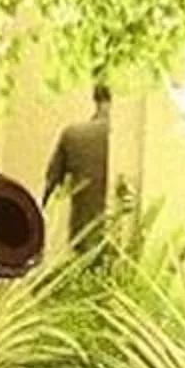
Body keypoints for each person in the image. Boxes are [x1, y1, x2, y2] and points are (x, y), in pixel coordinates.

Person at [43, 84, 113, 249]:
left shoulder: (74, 134)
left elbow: (51, 182)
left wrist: (42, 210)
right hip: (121, 235)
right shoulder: (116, 136)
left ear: (95, 97)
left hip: (84, 232)